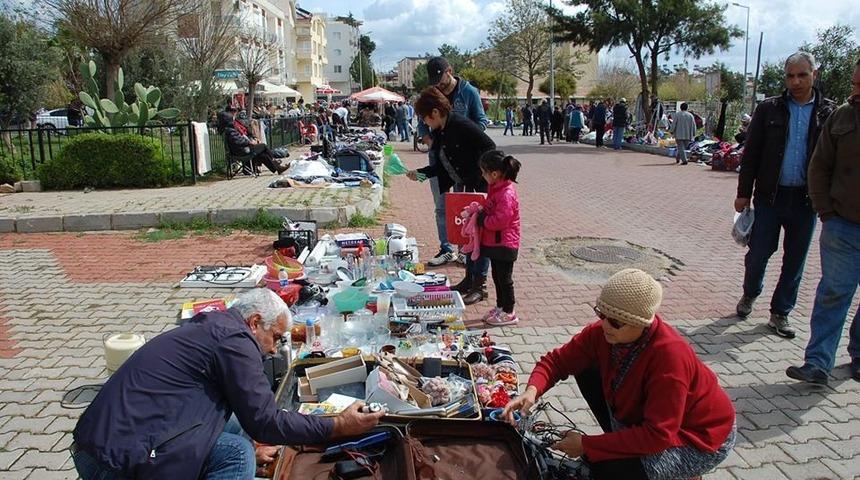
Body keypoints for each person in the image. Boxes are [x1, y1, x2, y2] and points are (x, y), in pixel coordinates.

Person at [72, 289, 384, 479]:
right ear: (254, 322)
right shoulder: (235, 341)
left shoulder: (215, 326)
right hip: (114, 463)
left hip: (100, 444)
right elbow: (265, 422)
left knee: (236, 426)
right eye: (275, 337)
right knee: (236, 453)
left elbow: (240, 414)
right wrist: (340, 425)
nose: (275, 349)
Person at [502, 269, 736, 480]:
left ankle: (686, 472)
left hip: (699, 437)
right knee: (585, 368)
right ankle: (624, 444)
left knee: (607, 470)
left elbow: (657, 435)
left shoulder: (670, 358)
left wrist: (587, 445)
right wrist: (532, 391)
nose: (604, 325)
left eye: (615, 322)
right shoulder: (602, 333)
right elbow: (557, 361)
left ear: (641, 323)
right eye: (601, 314)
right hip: (653, 423)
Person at [735, 51, 836, 338]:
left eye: (802, 75)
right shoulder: (769, 109)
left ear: (814, 75)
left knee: (795, 260)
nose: (795, 81)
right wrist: (743, 193)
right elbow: (751, 153)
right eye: (790, 76)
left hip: (806, 201)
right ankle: (750, 294)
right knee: (758, 255)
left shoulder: (828, 112)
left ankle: (780, 313)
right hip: (769, 198)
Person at [786, 58, 860, 385]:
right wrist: (826, 212)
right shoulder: (842, 117)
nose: (854, 91)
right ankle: (818, 362)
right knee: (834, 292)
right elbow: (819, 166)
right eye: (854, 84)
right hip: (843, 224)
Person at [408, 87, 495, 305]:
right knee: (467, 237)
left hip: (477, 188)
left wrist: (480, 176)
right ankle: (468, 279)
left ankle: (480, 286)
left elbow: (489, 147)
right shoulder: (440, 131)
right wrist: (420, 174)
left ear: (436, 113)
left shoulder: (462, 125)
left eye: (425, 118)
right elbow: (440, 165)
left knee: (480, 238)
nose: (425, 123)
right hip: (461, 188)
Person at [417, 56, 489, 268]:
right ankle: (446, 248)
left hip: (463, 162)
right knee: (441, 206)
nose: (438, 84)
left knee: (463, 206)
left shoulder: (468, 92)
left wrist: (466, 137)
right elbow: (422, 121)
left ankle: (464, 249)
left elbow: (481, 122)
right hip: (439, 158)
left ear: (450, 70)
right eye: (434, 81)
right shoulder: (433, 93)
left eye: (441, 78)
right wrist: (428, 138)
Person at [476, 150, 521, 326]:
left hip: (505, 243)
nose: (482, 175)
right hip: (495, 242)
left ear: (494, 174)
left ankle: (509, 312)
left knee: (505, 279)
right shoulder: (496, 188)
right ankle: (500, 307)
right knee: (497, 276)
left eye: (483, 172)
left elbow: (501, 220)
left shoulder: (506, 193)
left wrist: (483, 220)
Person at [219, 108, 287, 175]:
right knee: (263, 146)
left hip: (239, 150)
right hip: (241, 151)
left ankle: (278, 168)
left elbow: (239, 139)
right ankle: (275, 162)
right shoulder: (230, 131)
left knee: (262, 154)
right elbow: (237, 141)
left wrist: (250, 141)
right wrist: (249, 142)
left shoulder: (227, 130)